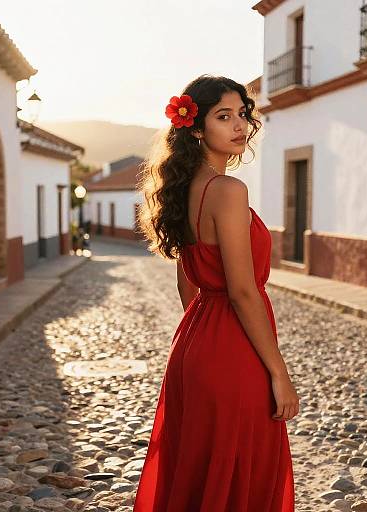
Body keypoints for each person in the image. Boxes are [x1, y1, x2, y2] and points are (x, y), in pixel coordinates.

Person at [133, 74, 299, 511]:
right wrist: (279, 374)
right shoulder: (228, 191)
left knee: (200, 466)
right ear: (197, 127)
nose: (239, 125)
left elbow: (187, 278)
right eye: (223, 117)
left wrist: (205, 334)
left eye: (242, 114)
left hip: (194, 343)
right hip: (231, 349)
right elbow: (243, 291)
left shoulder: (184, 190)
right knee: (242, 468)